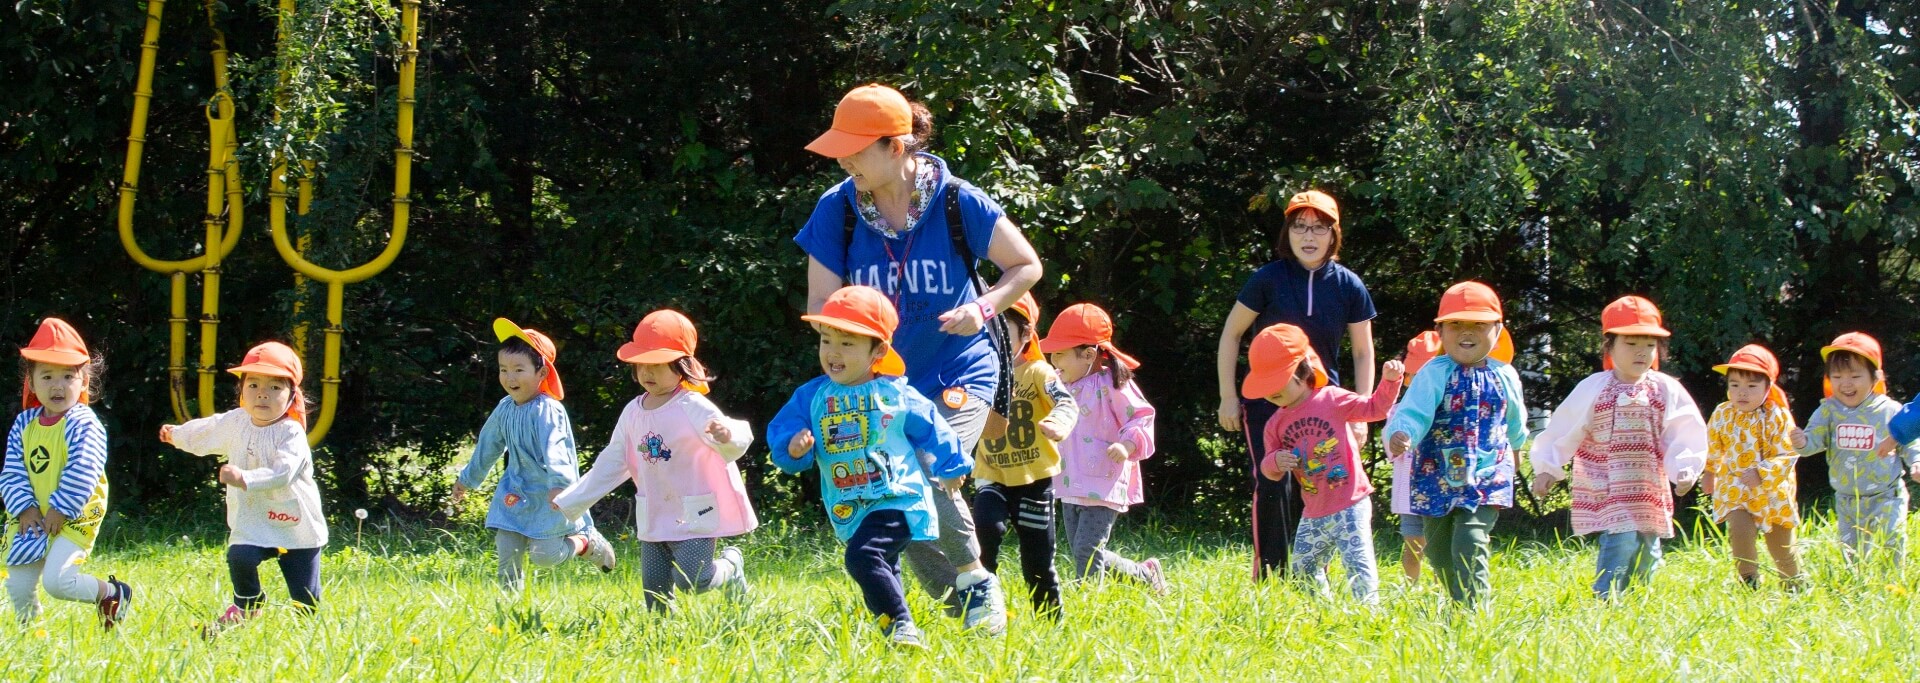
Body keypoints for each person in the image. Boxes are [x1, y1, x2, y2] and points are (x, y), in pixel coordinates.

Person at [795, 83, 1044, 632]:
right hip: (881, 381)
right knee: (894, 490)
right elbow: (821, 306)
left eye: (857, 148)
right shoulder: (835, 210)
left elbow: (1025, 266)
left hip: (962, 367)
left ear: (897, 145)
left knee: (934, 463)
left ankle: (978, 580)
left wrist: (983, 308)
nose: (844, 159)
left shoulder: (958, 200)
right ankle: (960, 599)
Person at [768, 286, 971, 648]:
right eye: (826, 341)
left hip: (898, 496)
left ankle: (901, 626)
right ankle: (896, 640)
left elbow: (933, 427)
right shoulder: (812, 397)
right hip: (851, 503)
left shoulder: (896, 393)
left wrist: (953, 463)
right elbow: (781, 436)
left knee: (863, 557)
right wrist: (793, 447)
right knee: (881, 569)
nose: (832, 352)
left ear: (877, 351)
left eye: (847, 344)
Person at [1216, 189, 1377, 580]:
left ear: (1334, 235)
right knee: (1272, 482)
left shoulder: (1348, 285)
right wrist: (1227, 398)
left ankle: (1312, 574)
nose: (1309, 236)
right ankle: (1270, 575)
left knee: (1323, 484)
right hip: (1266, 403)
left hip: (1325, 406)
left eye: (1319, 228)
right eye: (1300, 227)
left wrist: (1361, 414)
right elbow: (1230, 335)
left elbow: (1362, 352)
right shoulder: (1267, 279)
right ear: (1287, 233)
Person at [553, 310, 755, 611]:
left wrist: (727, 436)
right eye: (641, 365)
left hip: (695, 512)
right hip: (656, 511)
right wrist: (572, 500)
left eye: (658, 365)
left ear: (682, 366)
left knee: (693, 579)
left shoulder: (692, 404)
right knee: (656, 594)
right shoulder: (633, 412)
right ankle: (662, 640)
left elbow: (740, 436)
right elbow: (612, 461)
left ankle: (731, 566)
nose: (647, 373)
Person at [1530, 296, 1707, 599]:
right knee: (1621, 537)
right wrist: (1548, 467)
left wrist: (1685, 468)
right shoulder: (1594, 388)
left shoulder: (1664, 388)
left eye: (1649, 344)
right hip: (1609, 484)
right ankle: (1606, 596)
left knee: (1649, 547)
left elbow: (1684, 430)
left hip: (1648, 485)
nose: (1641, 352)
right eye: (1631, 343)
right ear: (1609, 346)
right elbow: (1565, 428)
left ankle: (1639, 597)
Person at [161, 342, 328, 631]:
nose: (262, 393)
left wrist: (244, 478)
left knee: (305, 602)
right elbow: (207, 430)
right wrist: (177, 435)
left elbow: (283, 472)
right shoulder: (236, 422)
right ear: (241, 390)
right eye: (253, 384)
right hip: (253, 518)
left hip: (295, 523)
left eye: (275, 387)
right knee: (240, 556)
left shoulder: (291, 432)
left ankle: (308, 638)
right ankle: (248, 605)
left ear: (292, 396)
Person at [1384, 282, 1528, 607]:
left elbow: (1515, 419)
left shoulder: (1505, 374)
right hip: (1435, 475)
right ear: (1440, 331)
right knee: (1436, 549)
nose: (1467, 332)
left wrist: (1517, 449)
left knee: (1469, 539)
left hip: (1487, 475)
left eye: (1479, 324)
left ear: (1498, 329)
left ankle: (1473, 614)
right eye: (1456, 324)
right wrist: (1402, 432)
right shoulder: (1434, 373)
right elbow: (1413, 410)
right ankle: (1457, 603)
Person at [452, 320, 614, 592]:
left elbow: (557, 448)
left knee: (545, 556)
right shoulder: (504, 408)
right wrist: (467, 480)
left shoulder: (548, 410)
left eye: (518, 370)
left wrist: (560, 487)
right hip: (515, 490)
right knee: (507, 548)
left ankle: (586, 543)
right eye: (504, 370)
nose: (510, 378)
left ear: (541, 373)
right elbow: (488, 446)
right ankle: (508, 608)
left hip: (549, 496)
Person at [1247, 323, 1403, 603]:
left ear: (1302, 369)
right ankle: (1321, 610)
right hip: (1314, 510)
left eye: (1276, 380)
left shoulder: (1332, 399)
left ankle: (1369, 616)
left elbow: (1374, 409)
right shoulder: (1275, 423)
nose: (1270, 391)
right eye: (1265, 384)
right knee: (1303, 567)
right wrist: (1276, 461)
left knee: (1358, 564)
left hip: (1350, 503)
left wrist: (1390, 382)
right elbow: (1267, 468)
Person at [2, 318, 130, 628]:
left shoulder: (83, 423)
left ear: (84, 382)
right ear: (31, 382)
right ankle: (30, 637)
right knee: (17, 584)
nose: (57, 386)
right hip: (32, 514)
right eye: (46, 376)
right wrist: (25, 508)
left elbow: (84, 468)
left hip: (74, 514)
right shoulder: (25, 423)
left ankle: (112, 593)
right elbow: (12, 470)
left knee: (57, 582)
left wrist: (61, 508)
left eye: (67, 377)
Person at [1042, 303, 1165, 593]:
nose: (1052, 358)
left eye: (1060, 352)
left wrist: (1126, 444)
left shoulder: (1111, 383)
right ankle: (1145, 575)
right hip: (1069, 480)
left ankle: (1088, 604)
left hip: (1103, 481)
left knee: (1086, 551)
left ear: (1088, 354)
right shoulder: (1060, 384)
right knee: (1084, 552)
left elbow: (1141, 416)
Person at [969, 294, 1076, 618]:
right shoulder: (975, 375)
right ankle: (986, 610)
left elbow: (1066, 402)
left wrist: (1058, 422)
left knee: (1037, 560)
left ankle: (1049, 621)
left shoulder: (1039, 372)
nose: (992, 341)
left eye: (1002, 332)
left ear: (1026, 335)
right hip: (993, 476)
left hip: (1034, 481)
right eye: (985, 332)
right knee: (985, 530)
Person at [1702, 344, 1803, 589]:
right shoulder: (1723, 413)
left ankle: (1794, 584)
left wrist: (1762, 473)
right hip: (1737, 488)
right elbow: (1713, 444)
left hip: (1773, 492)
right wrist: (1709, 471)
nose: (1741, 393)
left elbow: (1787, 454)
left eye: (1751, 386)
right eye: (1734, 385)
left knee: (1781, 547)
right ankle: (1748, 581)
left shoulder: (1777, 415)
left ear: (1768, 387)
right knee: (1739, 533)